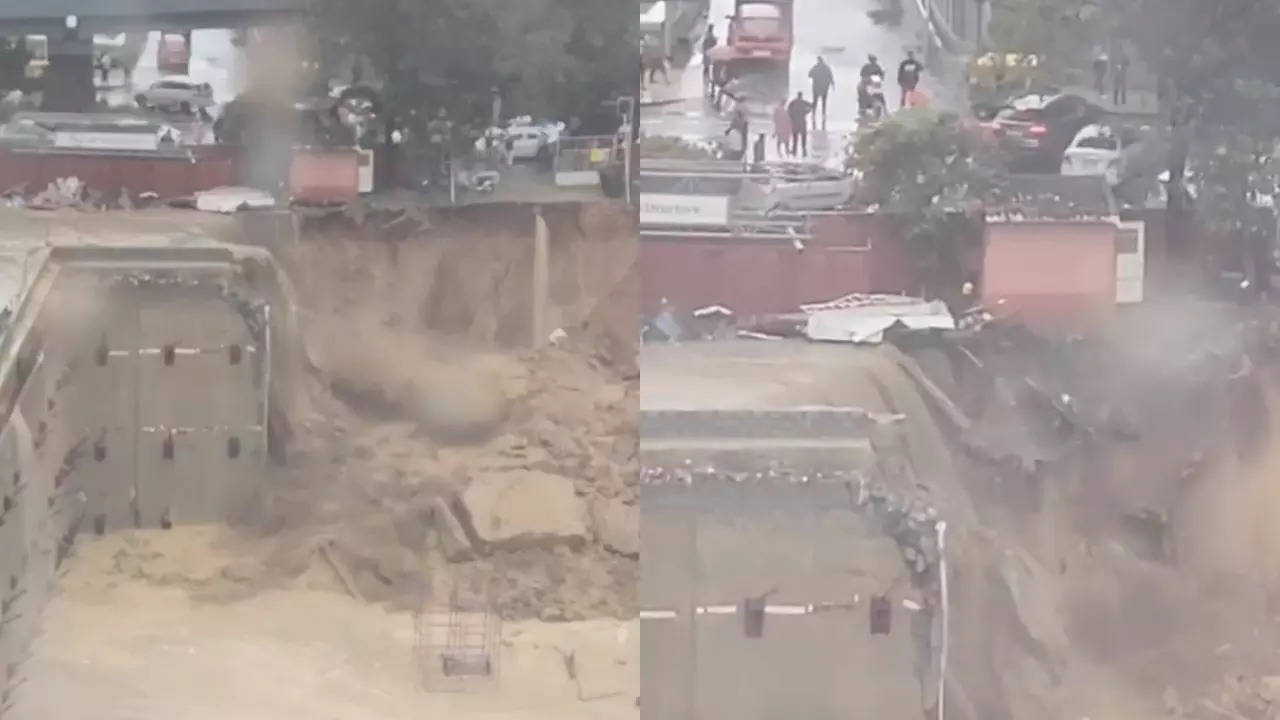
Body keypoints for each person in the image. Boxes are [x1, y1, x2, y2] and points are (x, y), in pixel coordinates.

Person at [808, 57, 834, 130]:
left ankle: (813, 114)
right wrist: (832, 84)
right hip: (825, 87)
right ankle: (823, 114)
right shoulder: (826, 68)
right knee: (824, 101)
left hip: (816, 86)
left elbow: (809, 75)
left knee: (815, 101)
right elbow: (830, 76)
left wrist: (815, 76)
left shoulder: (815, 67)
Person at [787, 91, 812, 156]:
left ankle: (794, 151)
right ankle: (804, 150)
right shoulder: (804, 102)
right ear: (801, 96)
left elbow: (788, 110)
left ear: (797, 95)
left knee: (795, 138)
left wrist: (791, 117)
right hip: (802, 122)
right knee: (803, 136)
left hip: (795, 122)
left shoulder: (793, 102)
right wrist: (806, 112)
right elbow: (811, 106)